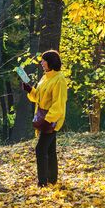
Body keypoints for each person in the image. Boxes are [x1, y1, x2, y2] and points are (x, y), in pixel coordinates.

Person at [22, 50, 67, 187]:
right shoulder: (45, 77)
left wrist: (48, 121)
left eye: (43, 60)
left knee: (40, 149)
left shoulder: (59, 80)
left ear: (50, 62)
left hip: (51, 121)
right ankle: (52, 180)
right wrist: (30, 90)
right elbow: (38, 98)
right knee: (49, 150)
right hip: (43, 119)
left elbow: (58, 104)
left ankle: (42, 182)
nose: (41, 63)